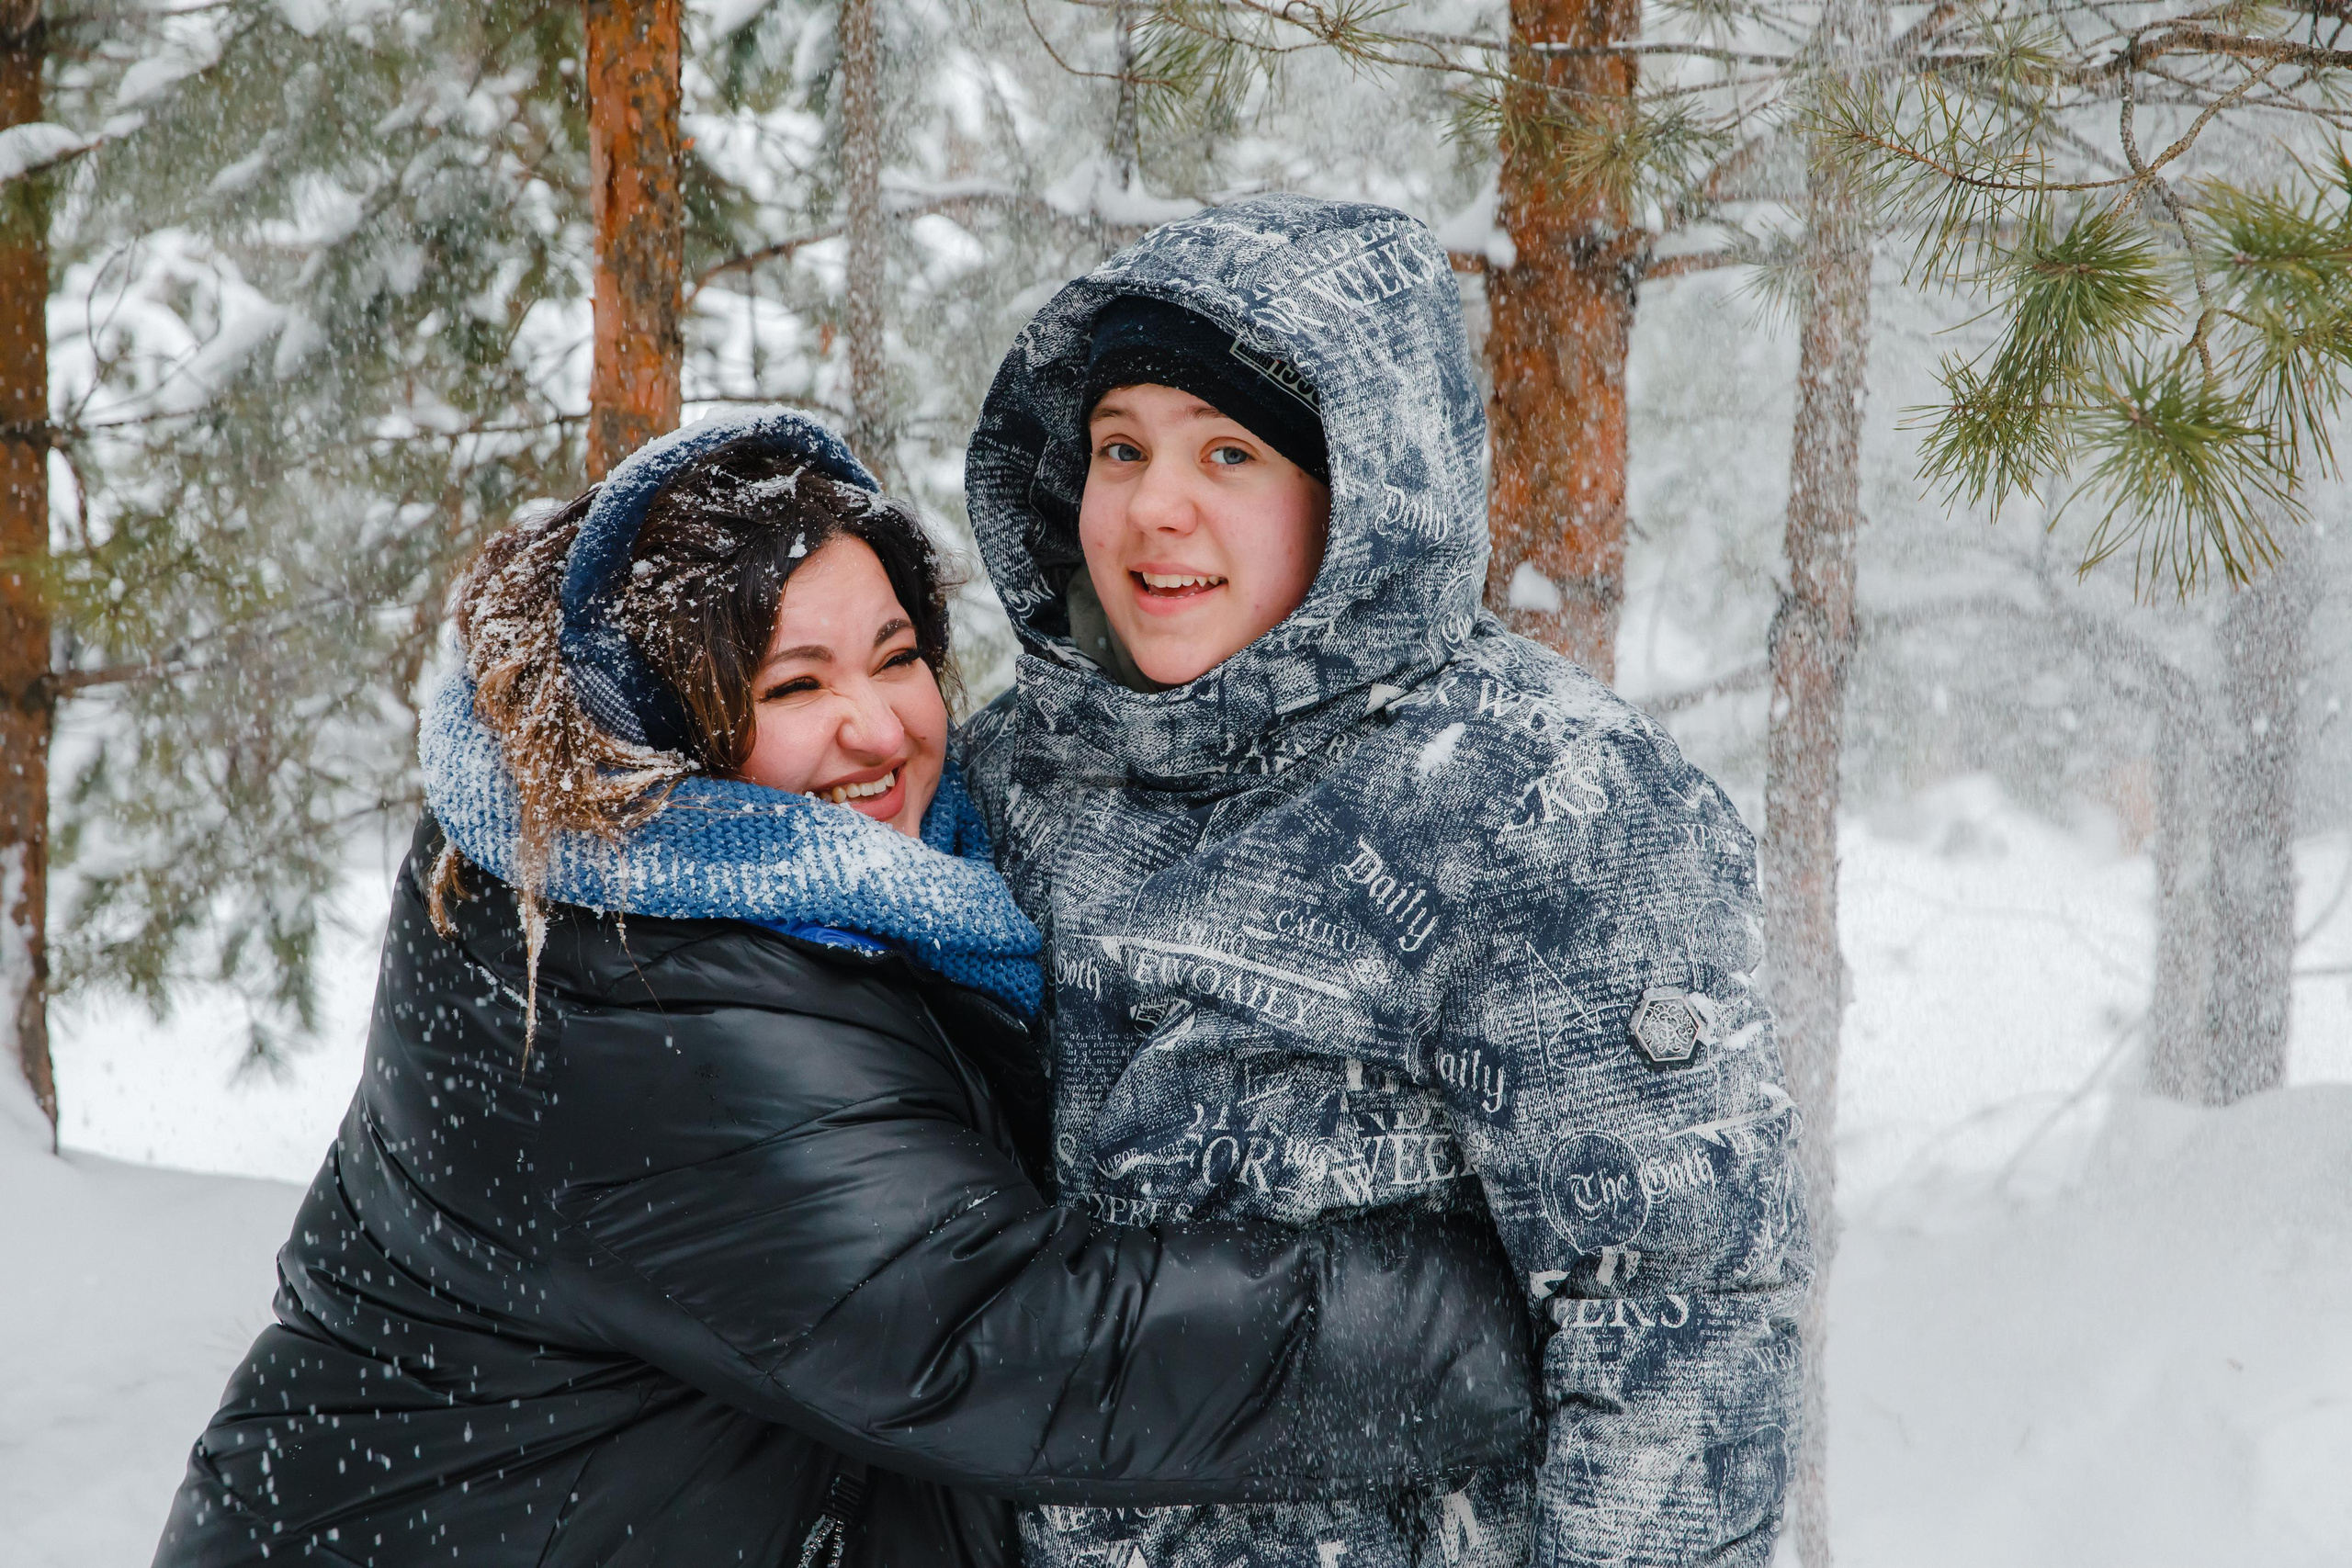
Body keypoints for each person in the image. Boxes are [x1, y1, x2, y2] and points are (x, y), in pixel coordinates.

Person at [151, 410, 1537, 1568]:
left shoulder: (669, 877)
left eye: (896, 656)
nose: (878, 728)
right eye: (793, 686)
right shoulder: (655, 1008)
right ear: (662, 733)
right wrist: (1487, 1317)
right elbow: (1003, 1341)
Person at [960, 197, 1813, 1568]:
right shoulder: (1012, 770)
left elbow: (1678, 1323)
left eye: (1228, 452)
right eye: (1121, 448)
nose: (1154, 507)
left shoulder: (1544, 805)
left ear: (1360, 493)